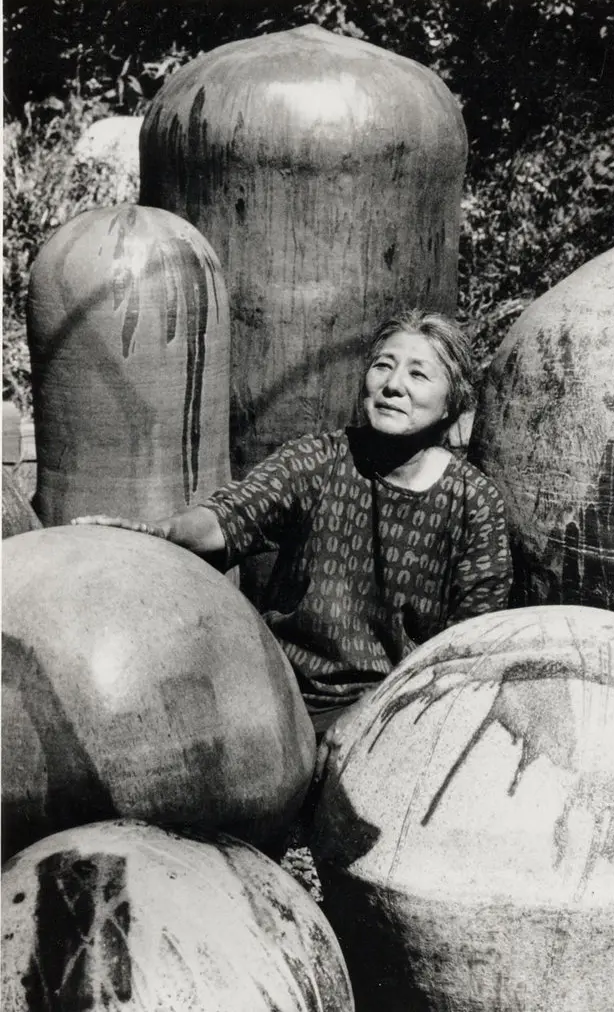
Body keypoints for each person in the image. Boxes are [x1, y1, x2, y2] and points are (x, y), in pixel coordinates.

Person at [75, 309, 512, 738]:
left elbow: (465, 650)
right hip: (281, 693)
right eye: (383, 366)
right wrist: (161, 534)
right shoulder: (318, 460)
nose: (393, 385)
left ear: (451, 403)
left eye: (418, 375)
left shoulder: (474, 505)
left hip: (397, 712)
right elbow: (230, 516)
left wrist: (373, 717)